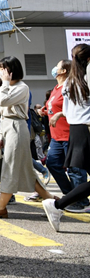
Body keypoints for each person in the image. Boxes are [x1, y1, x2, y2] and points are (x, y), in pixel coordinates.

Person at [0, 56, 55, 219]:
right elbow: (3, 113)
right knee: (26, 171)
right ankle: (54, 203)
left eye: (3, 68)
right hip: (9, 128)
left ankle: (0, 207)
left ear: (11, 70)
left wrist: (5, 83)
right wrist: (0, 134)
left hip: (17, 128)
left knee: (10, 169)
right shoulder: (11, 86)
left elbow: (4, 102)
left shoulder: (21, 87)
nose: (0, 72)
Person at [43, 44, 90, 230]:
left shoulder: (70, 81)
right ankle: (57, 205)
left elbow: (69, 112)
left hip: (77, 130)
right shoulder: (86, 76)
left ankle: (57, 205)